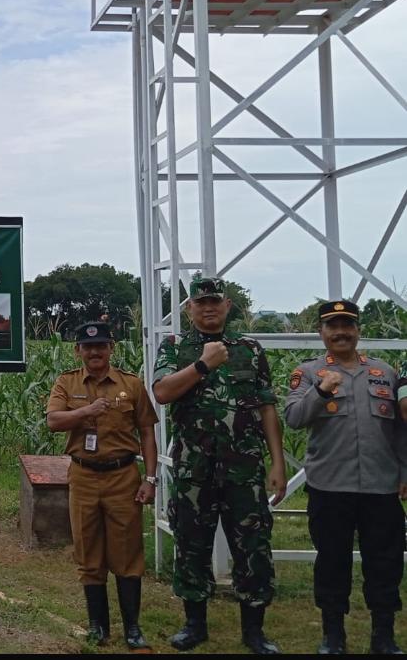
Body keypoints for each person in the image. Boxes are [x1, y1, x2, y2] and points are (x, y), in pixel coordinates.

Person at [152, 274, 286, 654]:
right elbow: (161, 392)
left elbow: (266, 407)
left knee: (253, 547)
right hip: (194, 470)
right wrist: (202, 365)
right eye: (200, 303)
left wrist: (277, 463)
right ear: (189, 308)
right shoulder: (175, 347)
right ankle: (194, 625)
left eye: (215, 302)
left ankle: (254, 630)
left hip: (244, 469)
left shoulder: (249, 348)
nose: (208, 308)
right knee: (192, 544)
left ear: (227, 306)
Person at [284, 300, 407, 654]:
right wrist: (322, 391)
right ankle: (333, 636)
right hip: (330, 487)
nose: (340, 332)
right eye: (332, 326)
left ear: (358, 330)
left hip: (380, 486)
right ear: (321, 332)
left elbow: (400, 430)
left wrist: (404, 470)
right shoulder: (308, 373)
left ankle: (383, 636)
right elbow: (293, 418)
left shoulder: (384, 372)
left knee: (385, 563)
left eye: (347, 325)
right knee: (332, 562)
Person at [46, 322, 157, 650]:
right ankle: (98, 627)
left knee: (127, 554)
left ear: (112, 348)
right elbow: (53, 421)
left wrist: (150, 479)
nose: (94, 352)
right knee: (88, 552)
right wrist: (86, 411)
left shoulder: (131, 385)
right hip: (83, 476)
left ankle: (133, 628)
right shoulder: (67, 383)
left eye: (101, 346)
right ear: (77, 350)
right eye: (87, 347)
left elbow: (148, 433)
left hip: (123, 477)